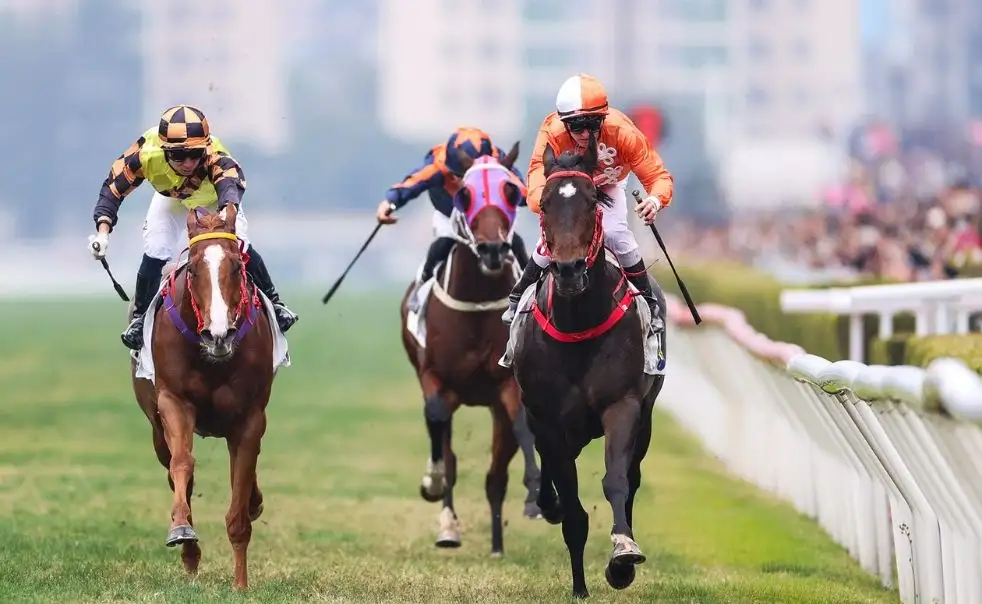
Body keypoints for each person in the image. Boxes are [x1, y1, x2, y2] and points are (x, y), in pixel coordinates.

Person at [87, 104, 299, 351]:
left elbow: (230, 184)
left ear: (204, 148)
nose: (188, 162)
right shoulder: (144, 154)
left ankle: (275, 304)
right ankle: (140, 320)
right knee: (156, 247)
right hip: (173, 199)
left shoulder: (214, 154)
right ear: (164, 151)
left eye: (195, 154)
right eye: (178, 156)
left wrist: (225, 213)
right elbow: (113, 189)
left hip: (215, 200)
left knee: (240, 243)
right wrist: (103, 233)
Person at [501, 73, 675, 324]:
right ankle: (518, 295)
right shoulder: (552, 131)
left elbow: (658, 176)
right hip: (568, 189)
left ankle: (649, 302)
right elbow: (537, 175)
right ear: (564, 123)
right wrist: (551, 205)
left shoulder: (623, 132)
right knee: (555, 239)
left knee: (615, 234)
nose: (585, 134)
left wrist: (655, 200)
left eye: (593, 125)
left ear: (603, 119)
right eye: (577, 126)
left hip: (608, 183)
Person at [375, 127, 531, 312]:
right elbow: (412, 184)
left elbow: (523, 192)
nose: (461, 181)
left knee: (515, 242)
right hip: (450, 214)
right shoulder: (437, 165)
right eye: (458, 176)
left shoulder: (497, 162)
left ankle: (530, 287)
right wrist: (390, 202)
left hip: (484, 216)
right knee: (443, 243)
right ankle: (422, 283)